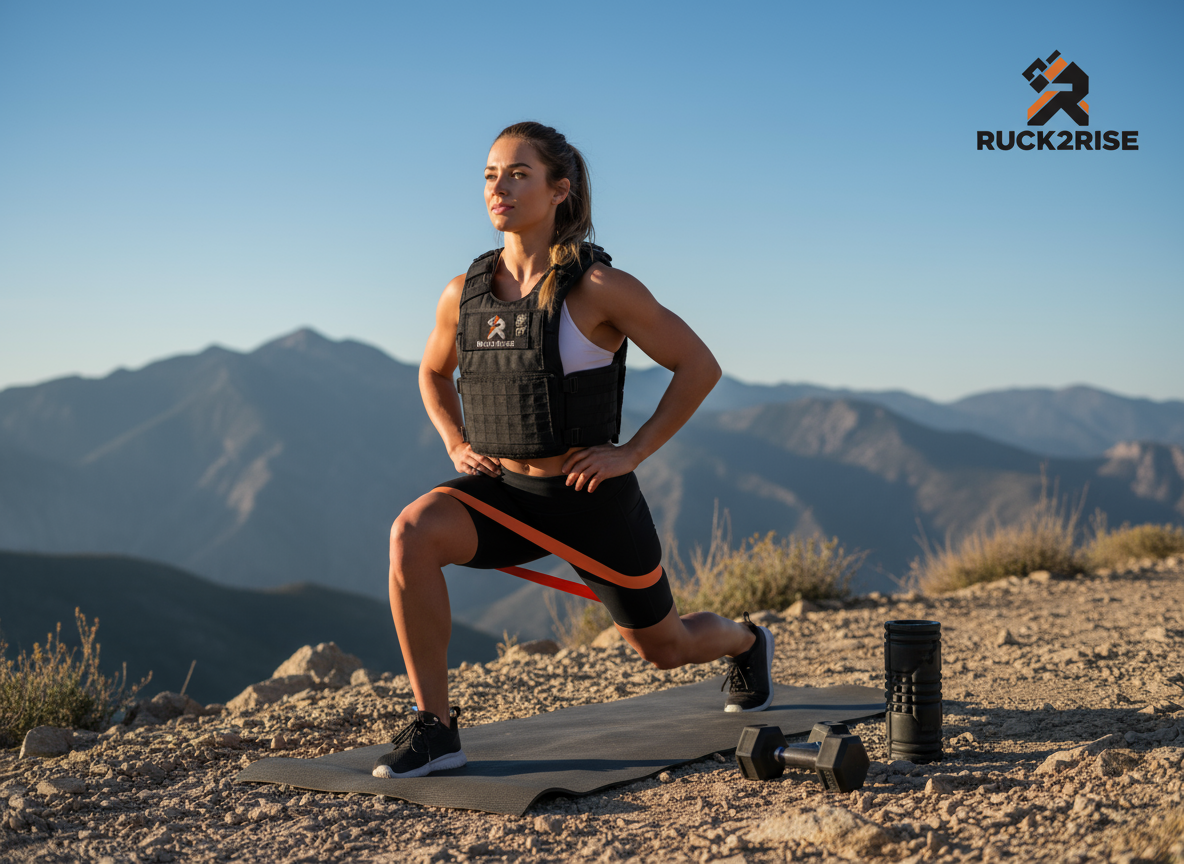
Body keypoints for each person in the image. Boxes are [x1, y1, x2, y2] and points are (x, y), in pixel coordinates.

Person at [373, 121, 774, 779]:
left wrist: (632, 452)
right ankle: (436, 728)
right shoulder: (463, 292)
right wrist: (455, 440)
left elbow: (699, 366)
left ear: (560, 189)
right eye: (490, 175)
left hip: (591, 499)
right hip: (506, 494)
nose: (499, 187)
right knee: (411, 533)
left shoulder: (600, 288)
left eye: (518, 173)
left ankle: (747, 640)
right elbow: (433, 373)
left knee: (666, 649)